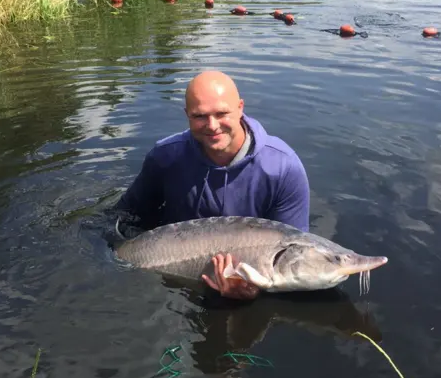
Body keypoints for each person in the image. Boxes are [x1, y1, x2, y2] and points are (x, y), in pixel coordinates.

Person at [113, 70, 310, 300]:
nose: (212, 125)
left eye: (222, 113)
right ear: (187, 115)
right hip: (171, 280)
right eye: (199, 116)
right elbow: (122, 217)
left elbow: (294, 249)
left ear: (240, 107)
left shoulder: (284, 168)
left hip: (249, 286)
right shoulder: (165, 156)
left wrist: (251, 293)